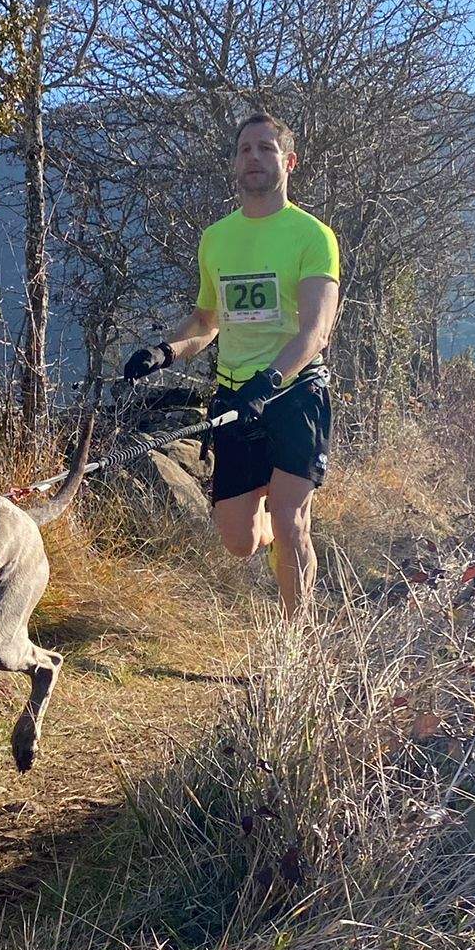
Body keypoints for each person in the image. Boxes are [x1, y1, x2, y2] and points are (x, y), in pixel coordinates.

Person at [124, 111, 339, 617]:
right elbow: (207, 319)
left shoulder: (312, 236)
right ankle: (266, 522)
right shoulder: (217, 239)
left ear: (289, 161)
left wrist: (269, 381)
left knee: (292, 521)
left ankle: (292, 648)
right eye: (245, 149)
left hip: (294, 393)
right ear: (234, 165)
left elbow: (316, 331)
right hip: (234, 397)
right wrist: (165, 352)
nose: (254, 158)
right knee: (239, 540)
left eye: (266, 149)